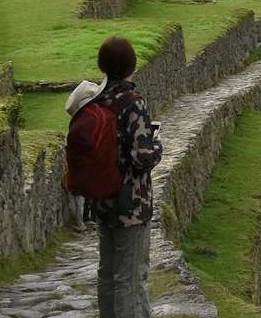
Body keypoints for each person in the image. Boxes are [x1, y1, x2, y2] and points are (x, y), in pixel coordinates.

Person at [71, 37, 162, 318]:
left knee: (107, 273)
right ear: (131, 65)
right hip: (131, 204)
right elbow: (141, 157)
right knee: (131, 277)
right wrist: (157, 145)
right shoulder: (132, 102)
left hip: (102, 199)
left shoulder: (97, 99)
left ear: (104, 66)